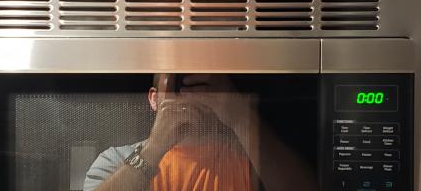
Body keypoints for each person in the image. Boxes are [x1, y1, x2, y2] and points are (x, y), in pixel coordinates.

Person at [83, 74, 318, 191]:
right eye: (177, 84)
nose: (189, 94)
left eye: (199, 84)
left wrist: (240, 116)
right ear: (153, 99)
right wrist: (155, 146)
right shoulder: (115, 160)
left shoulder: (250, 157)